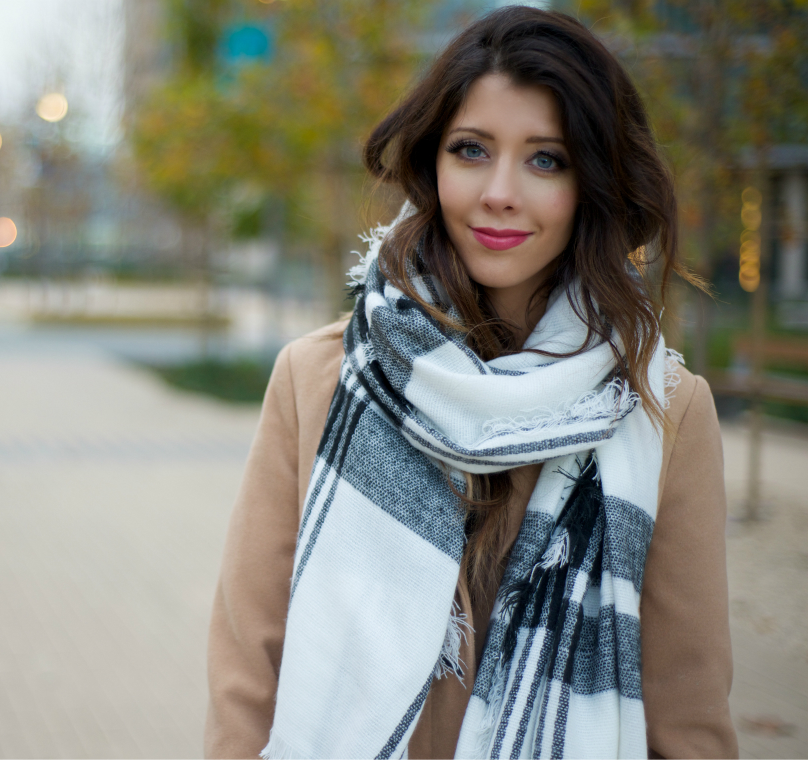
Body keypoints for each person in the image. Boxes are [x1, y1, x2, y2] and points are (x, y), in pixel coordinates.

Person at [205, 6, 736, 759]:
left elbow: (686, 717)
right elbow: (248, 671)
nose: (499, 192)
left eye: (545, 159)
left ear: (594, 182)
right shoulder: (319, 378)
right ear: (432, 164)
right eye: (471, 150)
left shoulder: (664, 413)